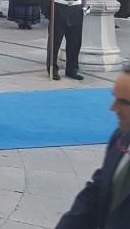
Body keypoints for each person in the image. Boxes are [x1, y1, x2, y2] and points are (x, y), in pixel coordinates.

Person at [56, 59, 130, 228]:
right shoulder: (120, 138)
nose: (113, 108)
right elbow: (98, 190)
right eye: (115, 98)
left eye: (124, 102)